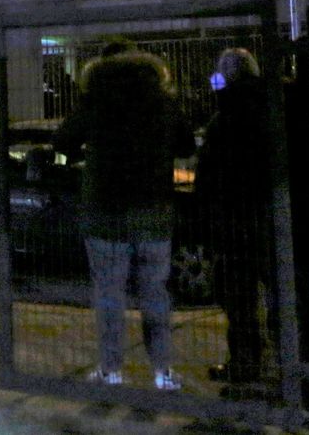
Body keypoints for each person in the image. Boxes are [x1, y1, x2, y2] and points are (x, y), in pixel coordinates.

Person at [55, 45, 194, 391]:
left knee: (109, 295)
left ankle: (111, 370)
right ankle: (163, 372)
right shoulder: (162, 103)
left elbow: (62, 140)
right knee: (155, 294)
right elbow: (187, 147)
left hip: (105, 213)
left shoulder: (97, 102)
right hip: (153, 211)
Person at [197, 48, 273, 385]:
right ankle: (290, 364)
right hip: (272, 214)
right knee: (283, 294)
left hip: (234, 218)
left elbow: (208, 176)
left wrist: (205, 216)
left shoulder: (223, 118)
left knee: (240, 300)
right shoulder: (276, 110)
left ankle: (246, 363)